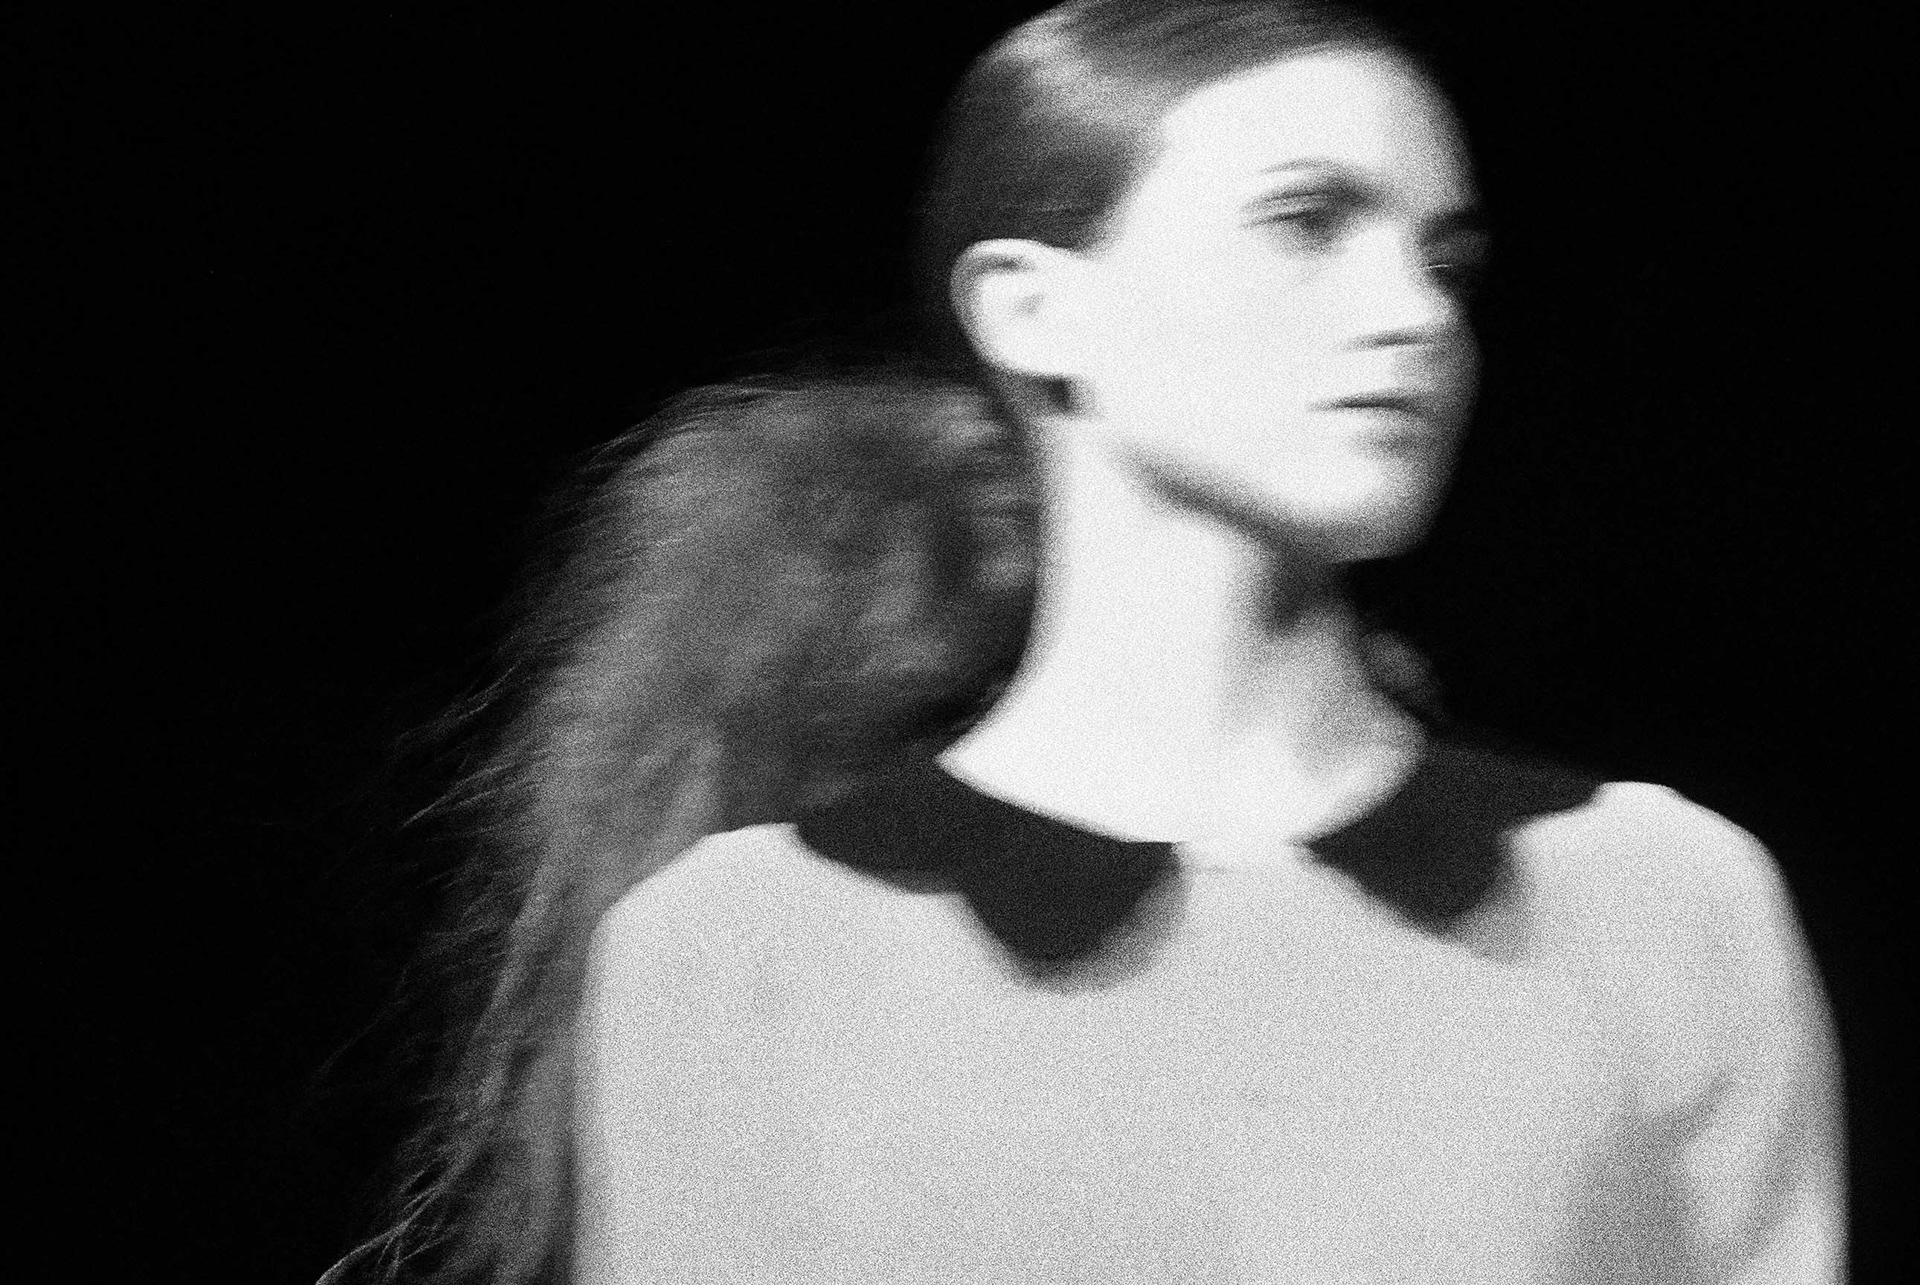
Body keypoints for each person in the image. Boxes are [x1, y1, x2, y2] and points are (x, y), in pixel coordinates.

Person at [325, 1, 1845, 1281]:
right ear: (1033, 310)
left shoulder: (1661, 904)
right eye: (1306, 224)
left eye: (1446, 261)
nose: (1416, 314)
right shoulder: (735, 955)